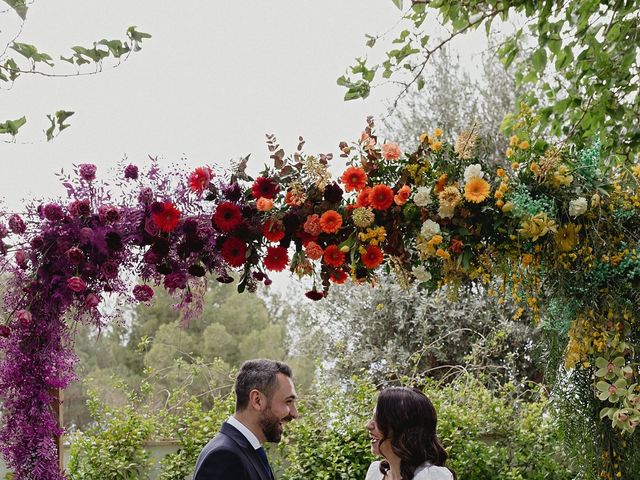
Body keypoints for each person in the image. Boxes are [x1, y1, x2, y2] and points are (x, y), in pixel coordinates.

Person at [193, 359, 298, 480]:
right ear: (257, 400)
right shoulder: (224, 457)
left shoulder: (248, 449)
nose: (295, 414)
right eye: (288, 401)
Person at [365, 387, 455, 480]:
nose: (368, 425)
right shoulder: (375, 472)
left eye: (379, 420)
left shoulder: (433, 476)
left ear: (402, 428)